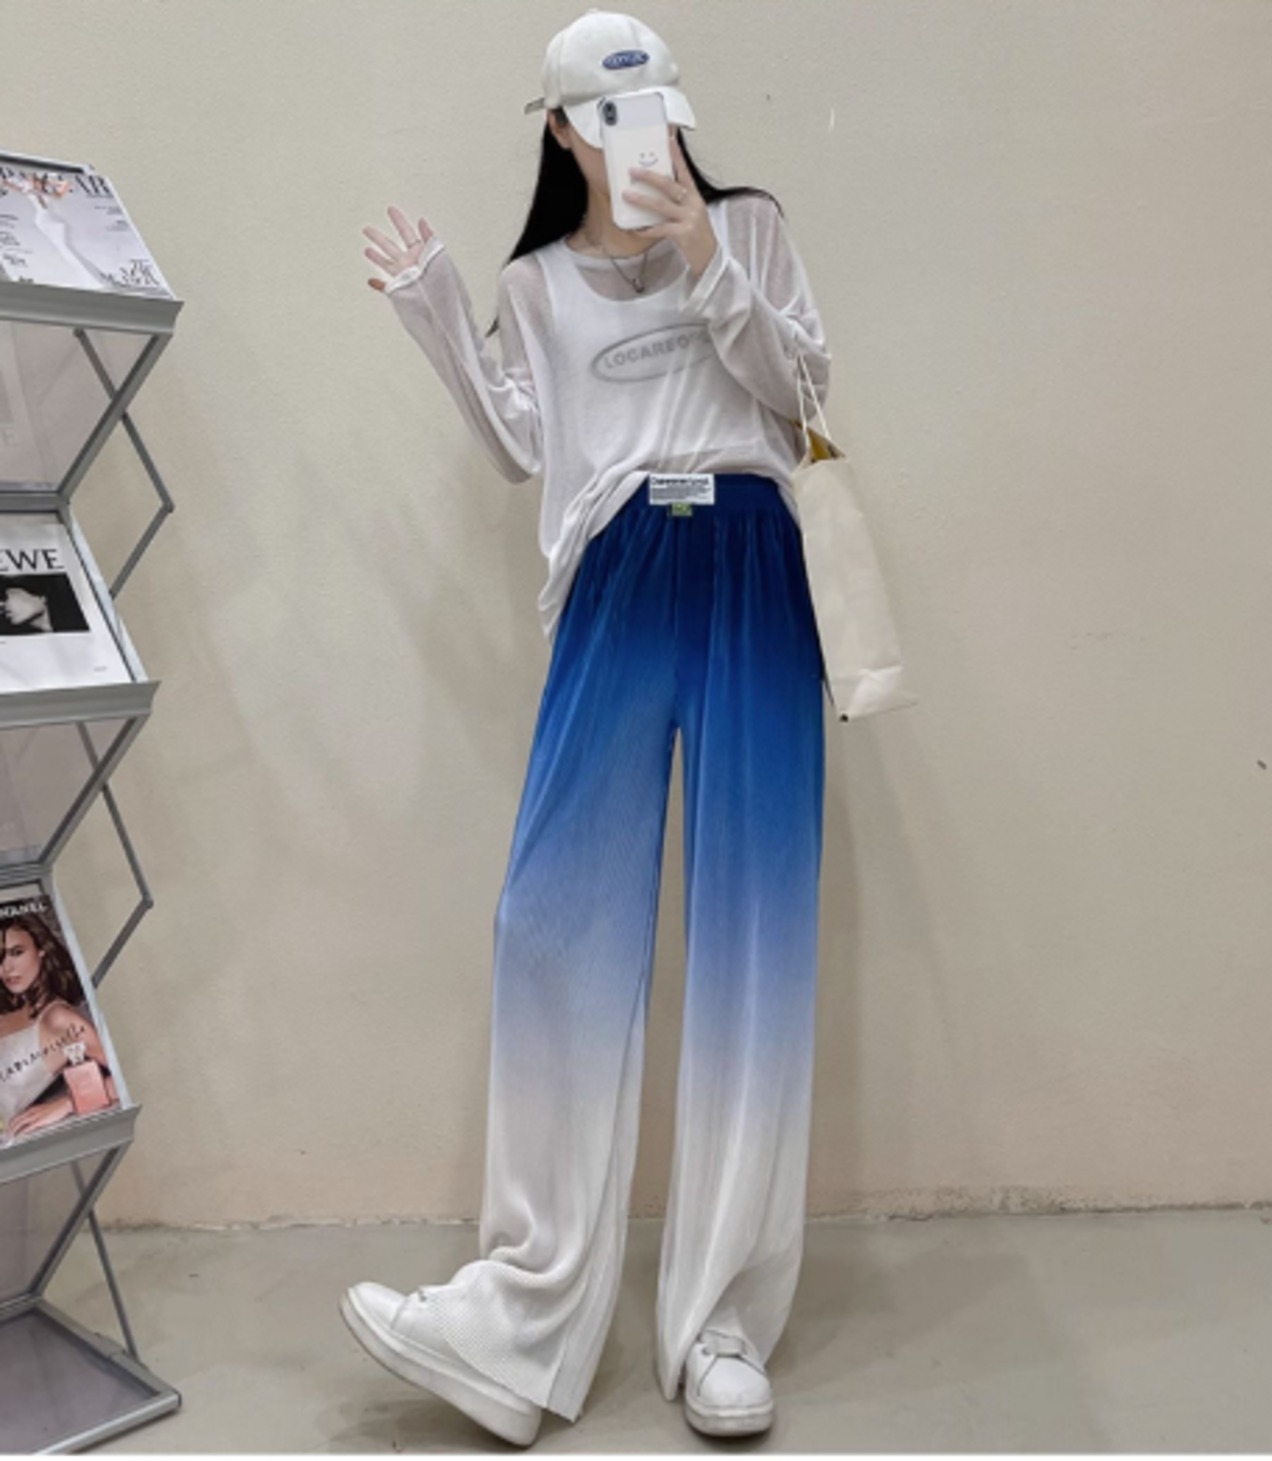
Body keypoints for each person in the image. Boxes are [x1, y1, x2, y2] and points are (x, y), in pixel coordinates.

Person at [341, 10, 831, 1447]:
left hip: (752, 559)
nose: (635, 135)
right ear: (560, 129)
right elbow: (520, 445)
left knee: (755, 938)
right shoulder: (540, 283)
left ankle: (721, 1324)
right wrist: (442, 308)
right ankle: (521, 1314)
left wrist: (707, 255)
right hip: (615, 572)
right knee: (552, 923)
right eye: (605, 115)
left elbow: (804, 393)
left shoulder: (750, 225)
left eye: (653, 104)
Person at [0, 909, 118, 1142]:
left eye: (17, 952)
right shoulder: (8, 1013)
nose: (7, 968)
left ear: (41, 950)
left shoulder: (59, 1020)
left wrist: (67, 1103)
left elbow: (125, 1080)